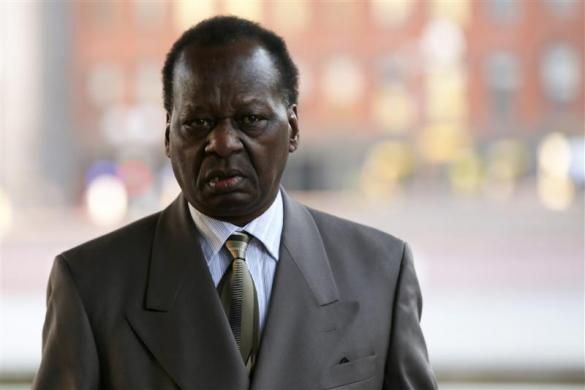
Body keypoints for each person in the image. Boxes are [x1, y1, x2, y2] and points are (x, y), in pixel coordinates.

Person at [33, 16, 437, 390]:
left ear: (292, 128)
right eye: (197, 123)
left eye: (250, 120)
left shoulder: (381, 271)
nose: (222, 143)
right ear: (168, 136)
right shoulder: (90, 283)